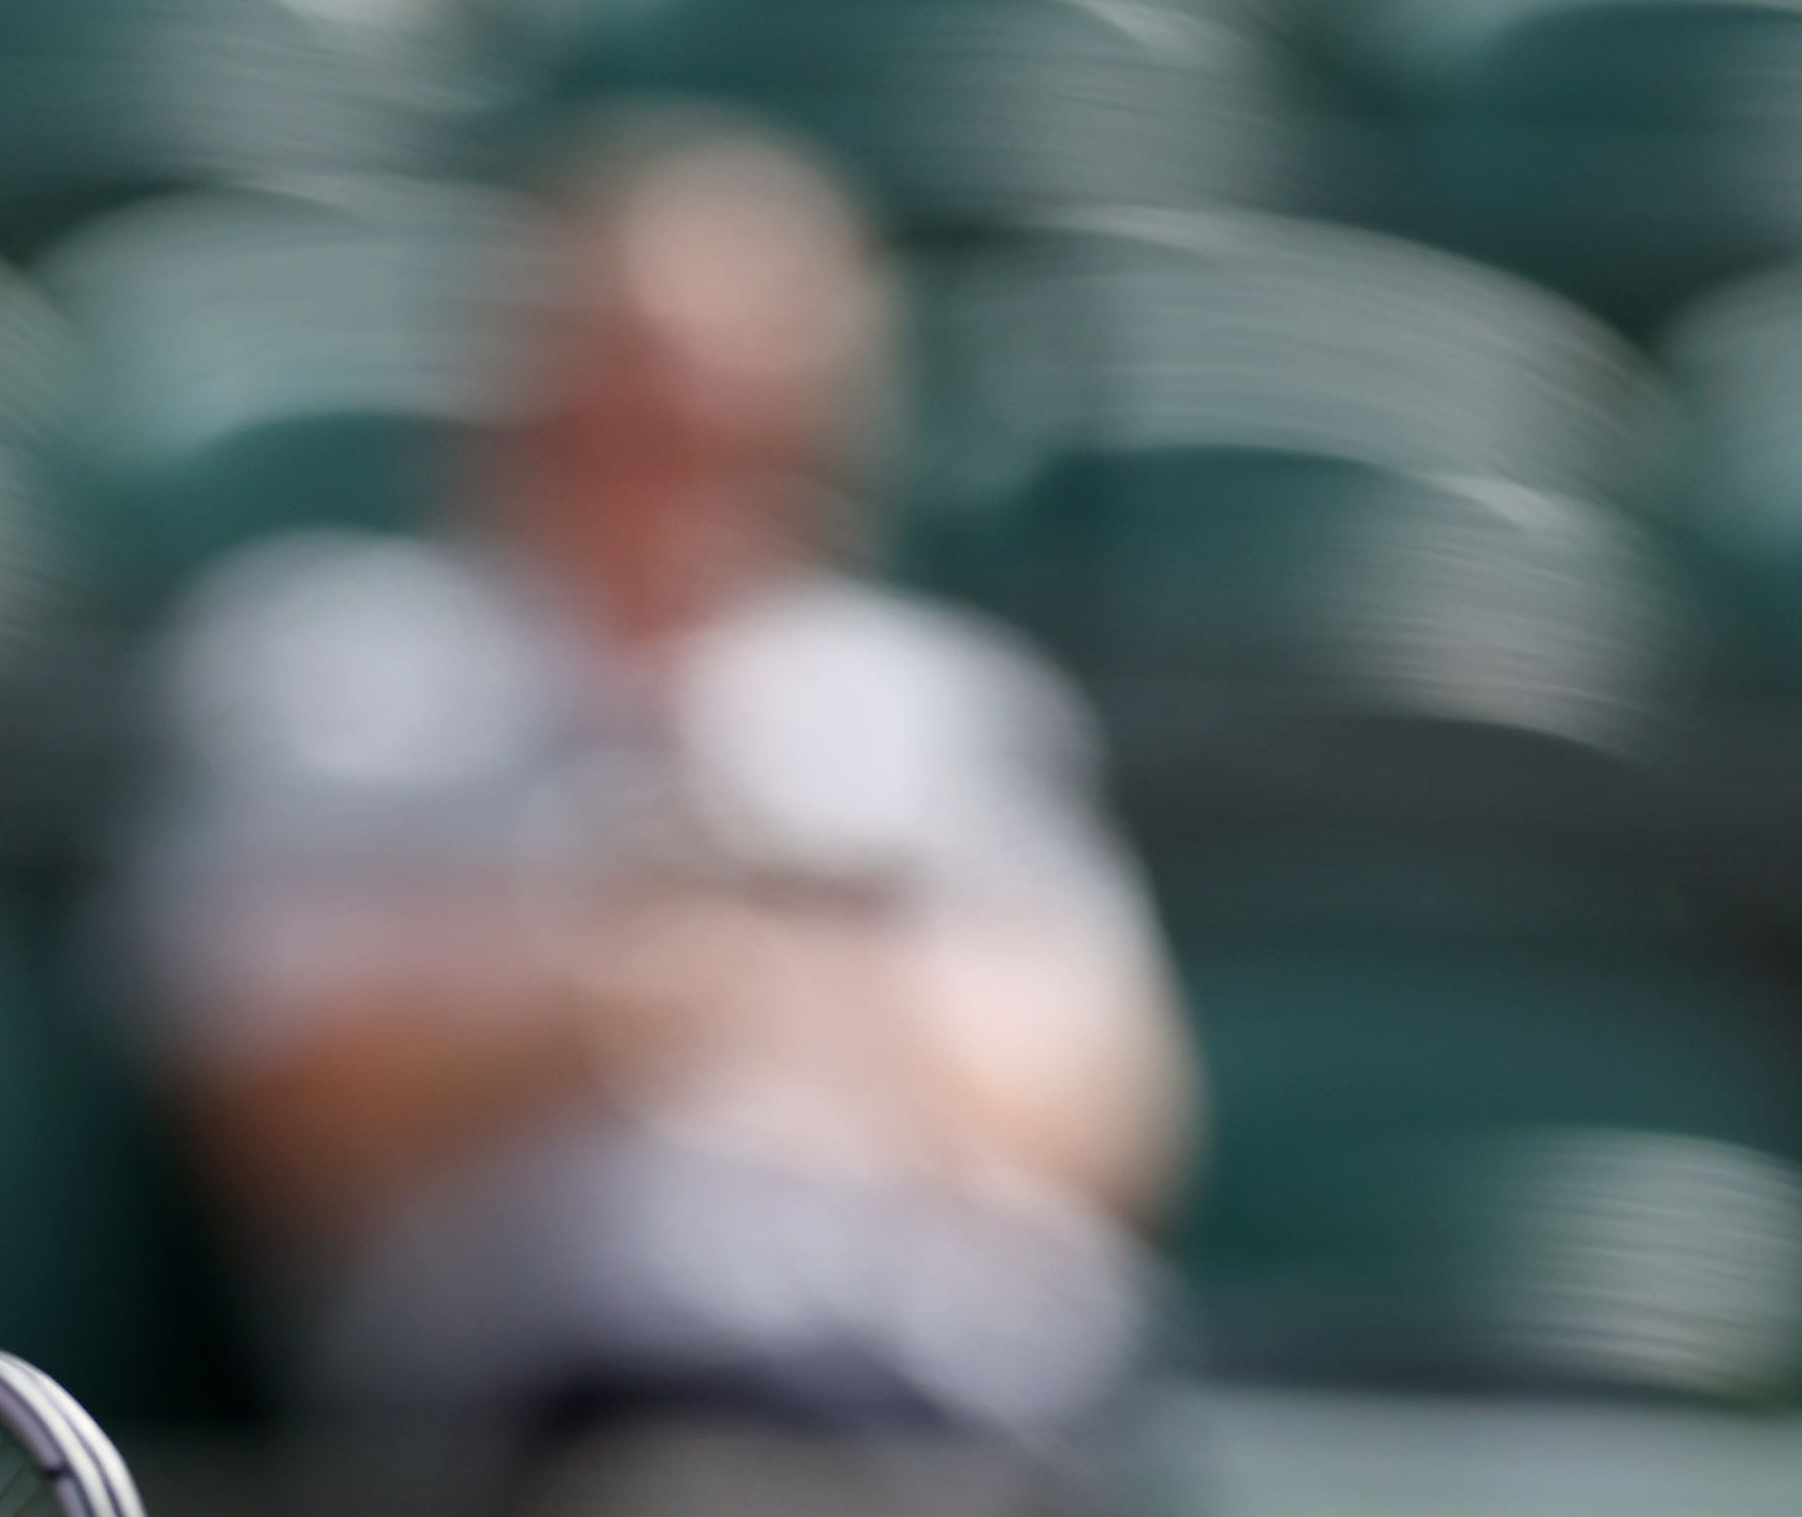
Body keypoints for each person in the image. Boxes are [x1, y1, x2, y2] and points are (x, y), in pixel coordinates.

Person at [133, 127, 1193, 1447]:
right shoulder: (336, 665)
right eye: (621, 415)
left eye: (734, 424)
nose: (673, 465)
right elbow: (272, 1099)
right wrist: (593, 993)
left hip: (948, 1399)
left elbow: (1097, 1121)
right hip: (537, 1404)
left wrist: (751, 967)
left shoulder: (943, 702)